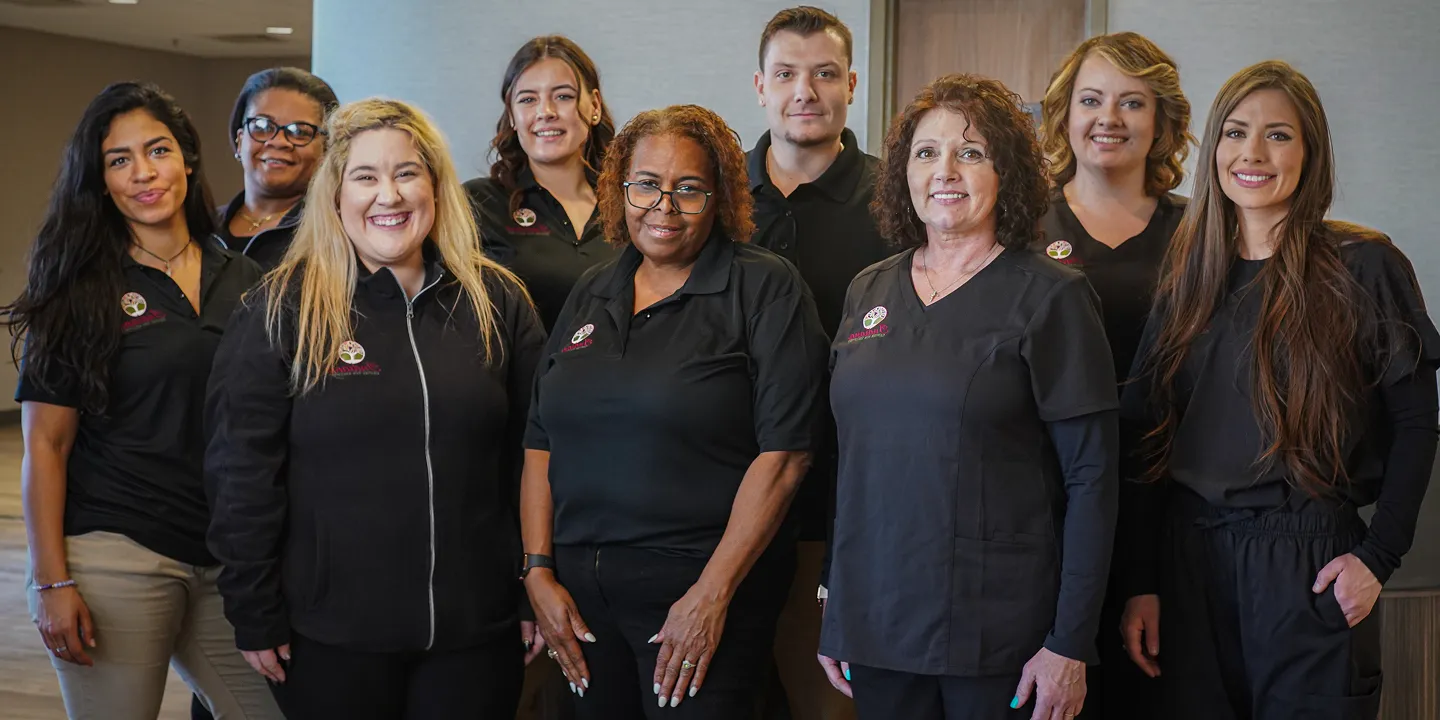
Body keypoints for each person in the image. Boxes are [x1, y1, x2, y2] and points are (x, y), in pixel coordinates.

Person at [204, 98, 546, 720]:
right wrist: (252, 607)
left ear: (436, 188)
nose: (389, 195)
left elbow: (537, 457)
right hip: (331, 637)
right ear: (335, 195)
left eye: (407, 173)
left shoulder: (498, 301)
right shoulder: (281, 308)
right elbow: (241, 472)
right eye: (365, 176)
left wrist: (535, 586)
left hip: (477, 631)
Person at [1120, 60, 1439, 720]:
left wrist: (1379, 558)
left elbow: (1415, 421)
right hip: (1189, 564)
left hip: (1309, 563)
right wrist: (1142, 582)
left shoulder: (1363, 266)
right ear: (1214, 151)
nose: (1253, 154)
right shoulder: (1187, 277)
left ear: (1311, 152)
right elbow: (1145, 435)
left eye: (1279, 135)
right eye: (1236, 133)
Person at [819, 74, 1119, 720]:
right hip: (877, 626)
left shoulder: (1052, 298)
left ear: (1006, 171)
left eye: (971, 152)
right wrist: (838, 608)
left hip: (1001, 635)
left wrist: (1070, 642)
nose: (945, 171)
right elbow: (855, 464)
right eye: (926, 153)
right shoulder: (868, 291)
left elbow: (1093, 479)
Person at [521, 104, 828, 719]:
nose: (664, 206)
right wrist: (537, 571)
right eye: (646, 185)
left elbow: (788, 454)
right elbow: (540, 438)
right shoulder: (594, 288)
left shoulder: (765, 287)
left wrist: (710, 597)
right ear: (619, 189)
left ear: (720, 197)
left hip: (702, 590)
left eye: (688, 189)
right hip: (581, 597)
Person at [2, 81, 282, 720]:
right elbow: (46, 444)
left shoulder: (247, 279)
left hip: (224, 557)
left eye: (156, 151)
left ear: (188, 157)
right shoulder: (79, 288)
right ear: (100, 181)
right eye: (118, 160)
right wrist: (52, 582)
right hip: (117, 556)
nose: (143, 173)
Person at [1033, 32, 1192, 719]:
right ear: (1066, 113)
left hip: (1169, 499)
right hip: (1049, 506)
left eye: (1133, 103)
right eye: (1092, 100)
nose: (1110, 118)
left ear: (1160, 123)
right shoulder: (1024, 225)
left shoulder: (1199, 231)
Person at [746, 10, 890, 718]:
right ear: (760, 86)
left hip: (846, 514)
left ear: (852, 85)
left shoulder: (900, 201)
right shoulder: (715, 200)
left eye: (825, 74)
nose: (805, 90)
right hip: (723, 508)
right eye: (787, 74)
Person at [466, 35, 620, 332]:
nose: (545, 112)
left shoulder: (633, 204)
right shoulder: (479, 204)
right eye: (528, 99)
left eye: (563, 96)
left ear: (595, 106)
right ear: (512, 115)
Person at [216, 67, 339, 270]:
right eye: (262, 126)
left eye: (299, 131)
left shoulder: (335, 235)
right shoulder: (200, 228)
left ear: (325, 149)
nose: (278, 141)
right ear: (240, 141)